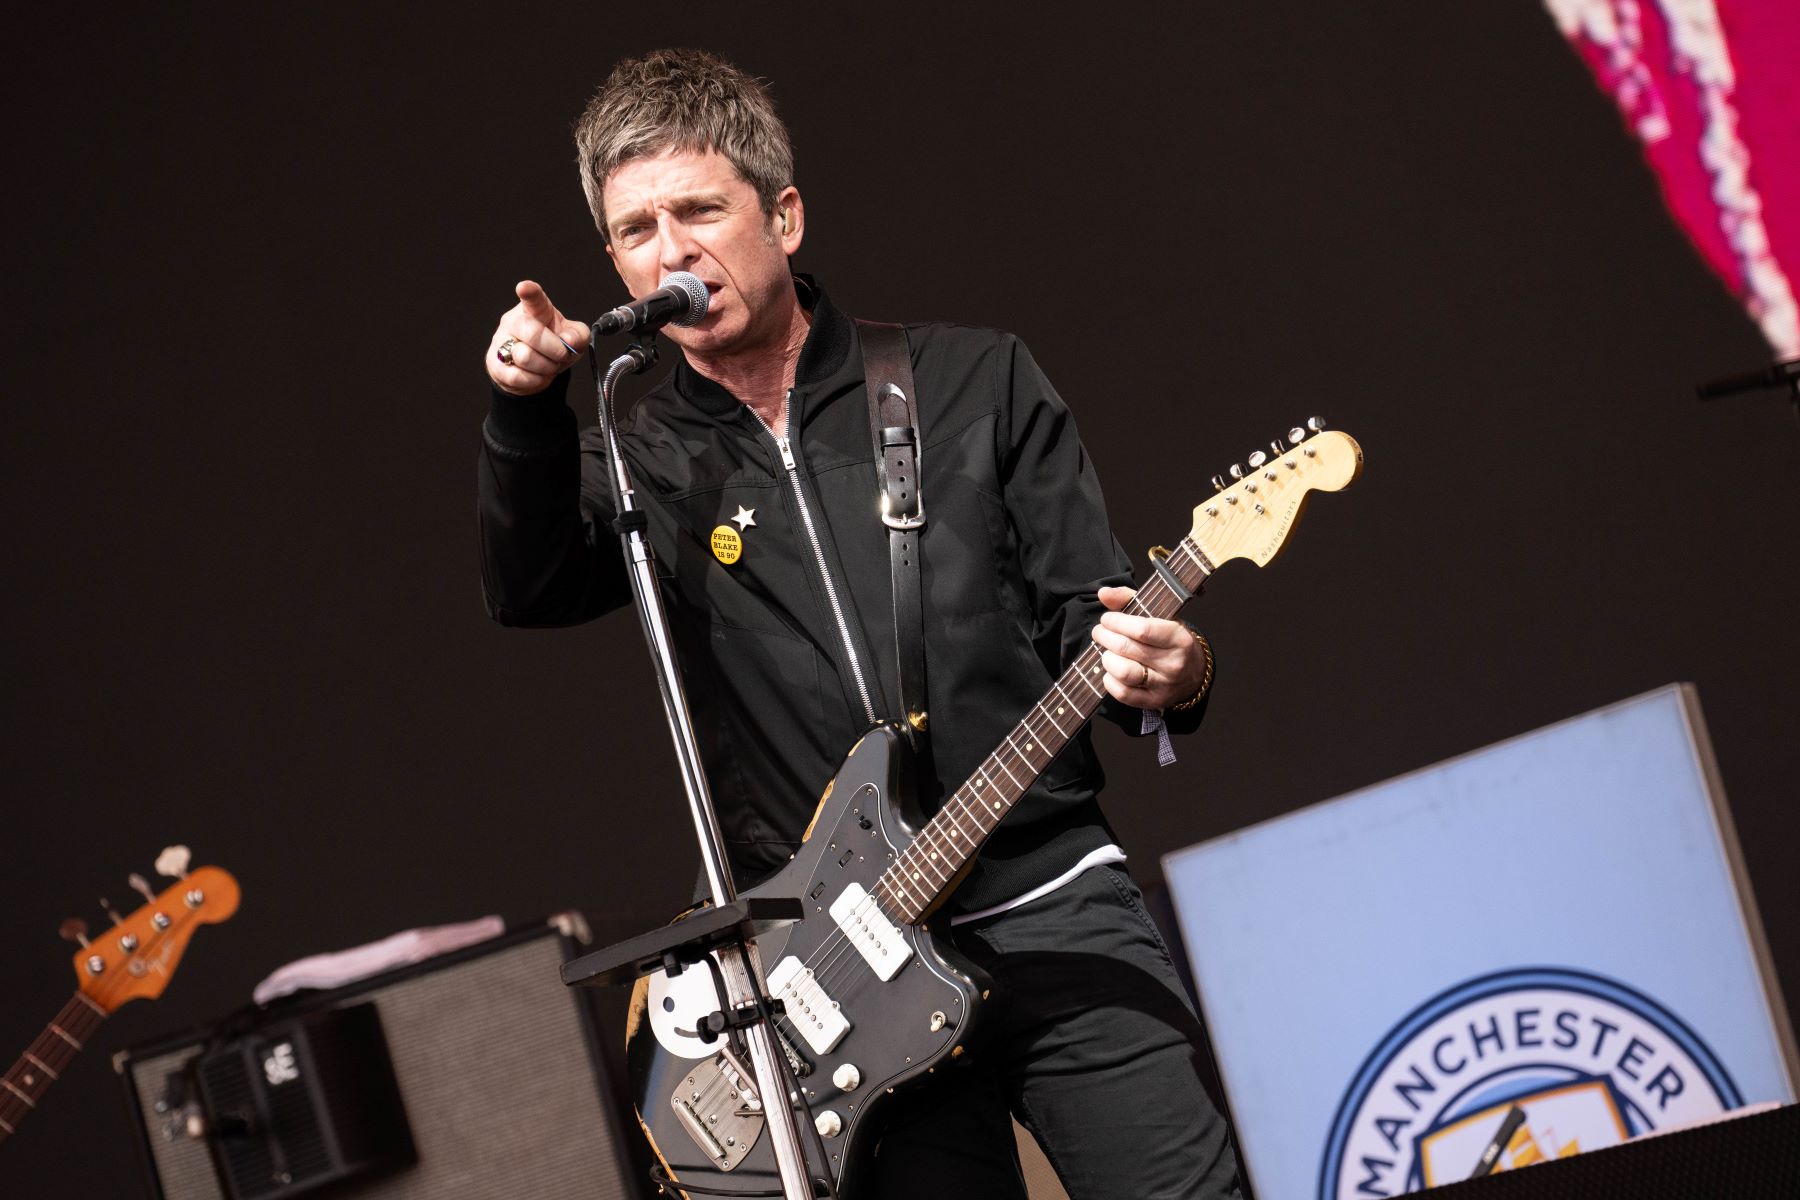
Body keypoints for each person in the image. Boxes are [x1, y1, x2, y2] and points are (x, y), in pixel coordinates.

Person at [478, 48, 1240, 1200]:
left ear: (782, 216)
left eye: (698, 210)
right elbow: (527, 587)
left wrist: (1173, 674)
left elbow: (1100, 615)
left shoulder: (973, 383)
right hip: (841, 972)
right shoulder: (641, 457)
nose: (671, 251)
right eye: (637, 231)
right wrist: (522, 415)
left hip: (1047, 905)